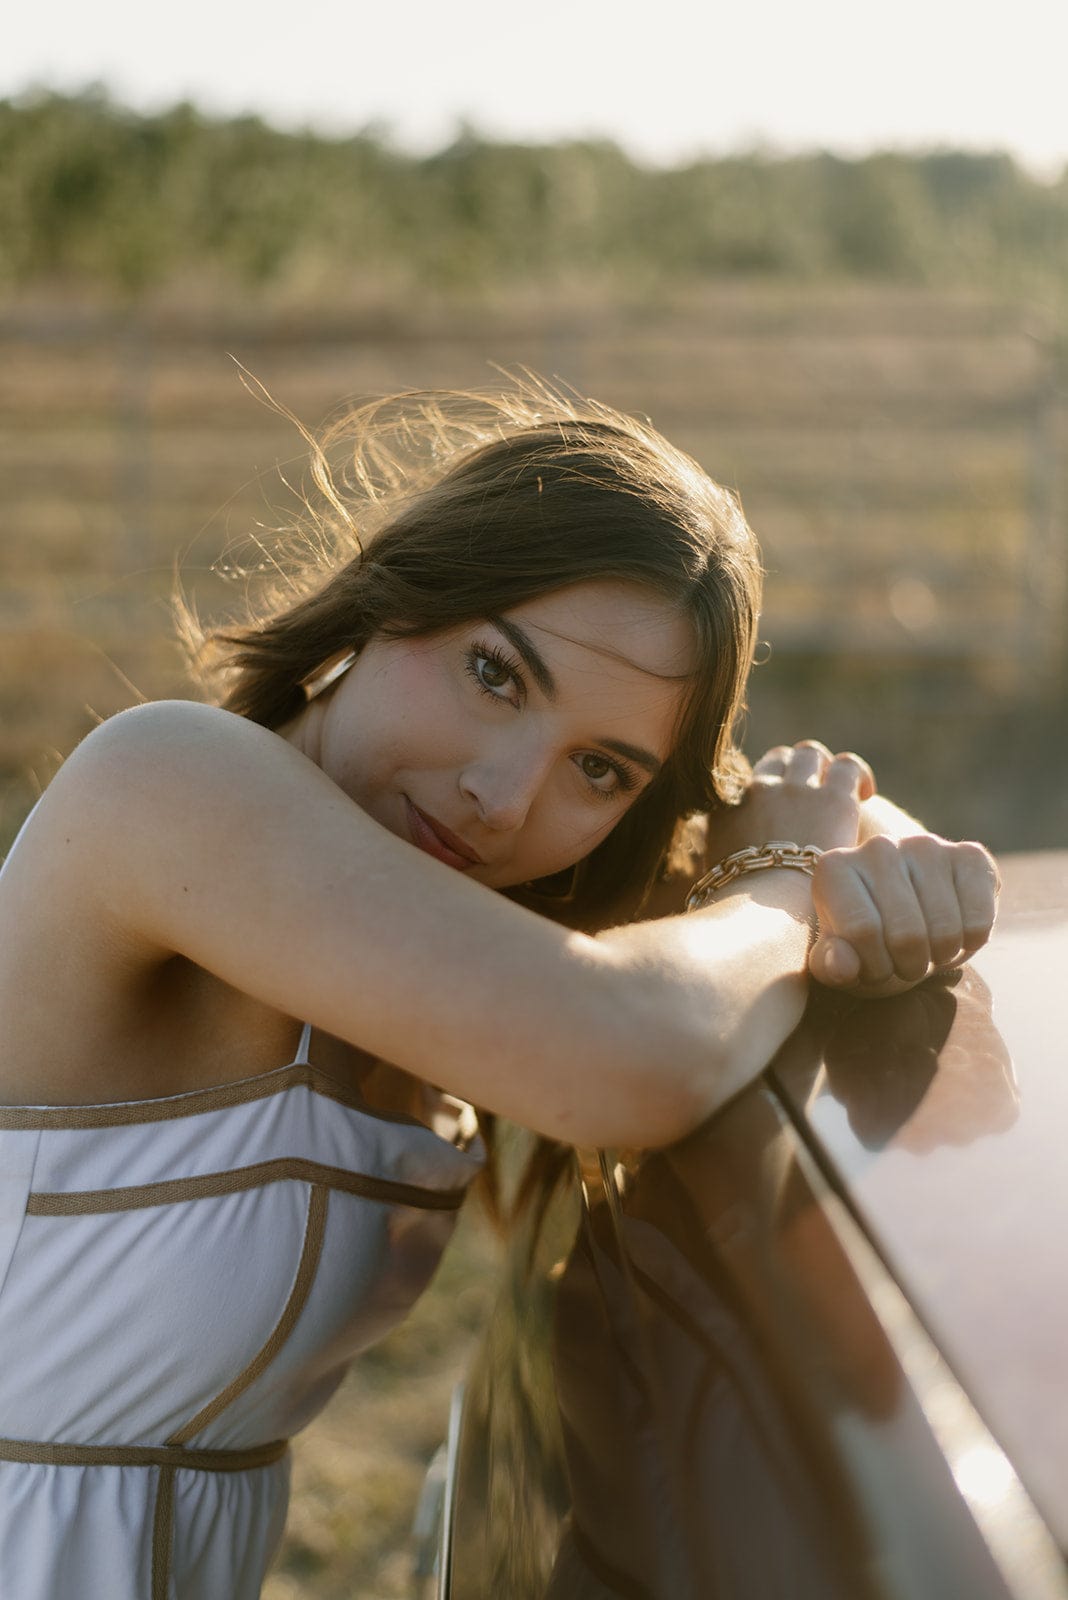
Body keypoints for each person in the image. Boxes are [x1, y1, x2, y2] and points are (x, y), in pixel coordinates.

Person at [0, 379, 998, 1598]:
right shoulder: (165, 784)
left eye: (599, 766)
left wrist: (877, 858)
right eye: (494, 672)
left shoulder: (476, 908)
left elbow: (807, 821)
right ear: (392, 592)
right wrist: (793, 881)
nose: (507, 797)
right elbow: (625, 1047)